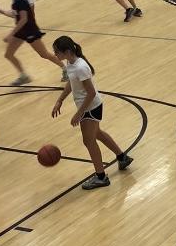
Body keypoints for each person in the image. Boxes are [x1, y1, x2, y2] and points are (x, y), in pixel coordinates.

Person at [51, 35, 133, 189]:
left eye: (57, 52)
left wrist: (79, 114)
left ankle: (101, 177)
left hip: (90, 107)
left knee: (88, 141)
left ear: (67, 51)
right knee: (97, 134)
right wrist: (60, 100)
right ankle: (122, 157)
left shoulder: (81, 67)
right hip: (89, 107)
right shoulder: (70, 63)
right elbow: (71, 83)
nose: (55, 54)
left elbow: (91, 93)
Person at [0, 0, 61, 85]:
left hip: (30, 30)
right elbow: (15, 14)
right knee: (8, 54)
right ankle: (24, 76)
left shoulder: (21, 0)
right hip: (21, 31)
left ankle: (65, 69)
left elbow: (24, 19)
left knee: (44, 54)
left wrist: (10, 34)